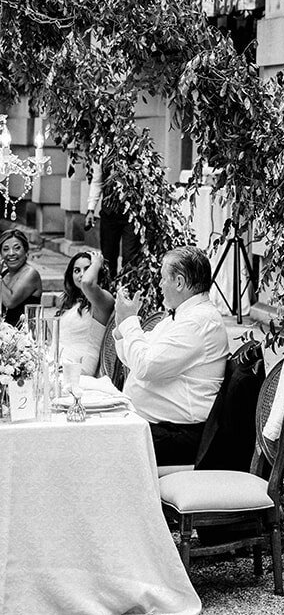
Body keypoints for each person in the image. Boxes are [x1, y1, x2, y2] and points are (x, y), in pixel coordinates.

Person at [113, 246, 229, 464]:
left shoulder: (198, 321)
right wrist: (122, 327)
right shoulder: (182, 316)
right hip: (162, 427)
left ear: (179, 282)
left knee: (101, 445)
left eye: (162, 278)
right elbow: (134, 359)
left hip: (182, 435)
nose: (159, 285)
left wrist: (130, 323)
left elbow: (145, 367)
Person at [56, 249, 115, 376]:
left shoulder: (103, 299)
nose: (82, 275)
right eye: (77, 270)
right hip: (61, 361)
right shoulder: (73, 302)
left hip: (81, 368)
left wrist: (97, 263)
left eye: (87, 269)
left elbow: (87, 283)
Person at [84, 158, 141, 277]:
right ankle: (109, 289)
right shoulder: (102, 154)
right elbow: (97, 182)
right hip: (109, 214)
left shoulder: (136, 151)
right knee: (108, 256)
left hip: (132, 215)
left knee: (130, 256)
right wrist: (90, 209)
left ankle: (127, 289)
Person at [0, 228, 42, 326]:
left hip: (25, 335)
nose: (11, 253)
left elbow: (10, 302)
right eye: (6, 249)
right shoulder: (5, 274)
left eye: (17, 248)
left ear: (25, 250)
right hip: (5, 334)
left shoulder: (31, 274)